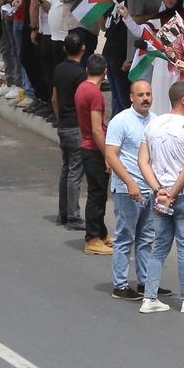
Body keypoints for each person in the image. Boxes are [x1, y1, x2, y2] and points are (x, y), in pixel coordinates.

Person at [137, 82, 184, 314]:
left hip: (160, 196)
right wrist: (173, 194)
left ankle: (149, 298)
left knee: (159, 247)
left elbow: (143, 161)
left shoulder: (153, 125)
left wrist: (159, 191)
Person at [103, 80, 156, 301]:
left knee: (147, 238)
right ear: (132, 97)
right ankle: (120, 285)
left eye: (148, 94)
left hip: (150, 189)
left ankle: (145, 282)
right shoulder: (121, 121)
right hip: (128, 190)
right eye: (140, 95)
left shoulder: (155, 121)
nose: (145, 98)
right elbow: (111, 155)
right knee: (125, 237)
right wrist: (130, 183)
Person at [52, 33, 88, 232]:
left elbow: (54, 99)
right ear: (83, 49)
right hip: (76, 127)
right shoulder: (81, 74)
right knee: (75, 171)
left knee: (66, 169)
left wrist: (60, 120)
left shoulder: (59, 69)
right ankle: (73, 216)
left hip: (64, 125)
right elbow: (82, 103)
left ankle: (63, 213)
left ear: (65, 49)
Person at [76, 54, 110, 255]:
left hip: (88, 146)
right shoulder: (95, 94)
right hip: (94, 149)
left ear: (87, 70)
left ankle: (101, 234)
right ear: (104, 72)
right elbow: (97, 129)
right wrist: (108, 156)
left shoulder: (82, 88)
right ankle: (92, 238)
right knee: (97, 195)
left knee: (99, 193)